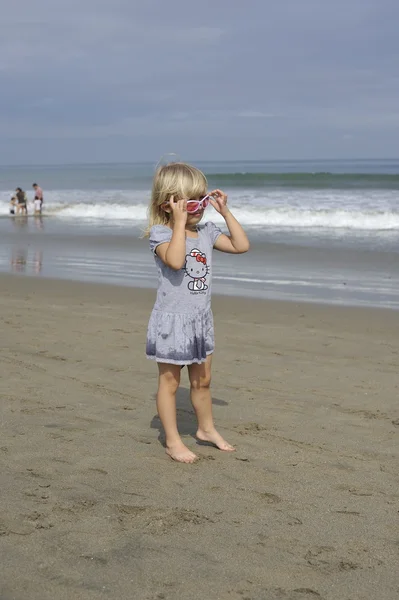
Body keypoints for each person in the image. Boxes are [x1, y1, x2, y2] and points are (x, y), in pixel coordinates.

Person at [145, 162, 250, 463]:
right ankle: (173, 441)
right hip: (172, 322)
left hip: (200, 320)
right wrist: (178, 224)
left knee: (203, 381)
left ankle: (206, 429)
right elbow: (176, 261)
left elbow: (241, 245)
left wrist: (224, 212)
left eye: (202, 200)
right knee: (170, 383)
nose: (199, 209)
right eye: (192, 203)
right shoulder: (161, 234)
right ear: (168, 205)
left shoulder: (207, 231)